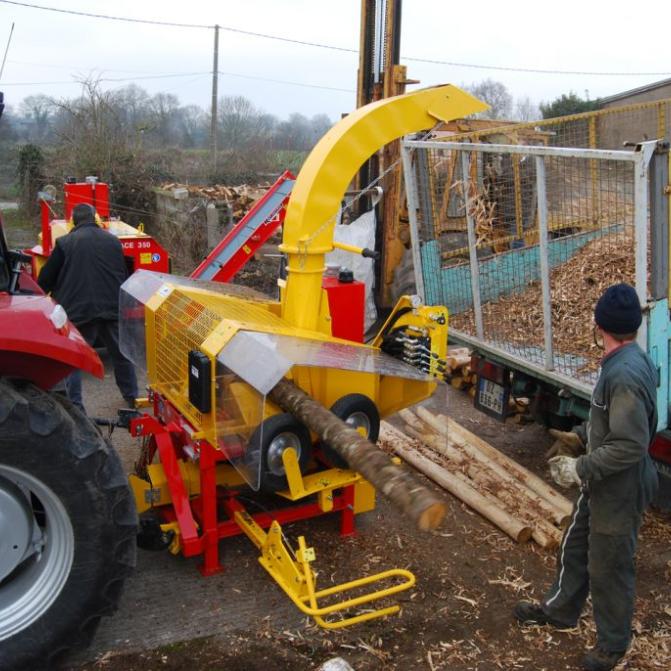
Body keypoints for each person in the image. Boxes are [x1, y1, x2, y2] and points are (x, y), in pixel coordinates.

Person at [514, 283, 659, 671]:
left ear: (600, 326)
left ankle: (613, 643)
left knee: (609, 564)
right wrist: (580, 436)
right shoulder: (622, 362)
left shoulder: (625, 374)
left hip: (621, 486)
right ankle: (561, 610)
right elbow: (613, 424)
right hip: (603, 479)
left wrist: (578, 468)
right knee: (575, 545)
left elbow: (629, 445)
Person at [38, 203, 138, 412]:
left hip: (79, 312)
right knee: (121, 355)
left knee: (74, 359)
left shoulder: (65, 243)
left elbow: (45, 279)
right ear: (95, 219)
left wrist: (43, 294)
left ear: (73, 221)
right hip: (111, 308)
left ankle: (76, 407)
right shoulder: (113, 241)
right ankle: (132, 398)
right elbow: (122, 273)